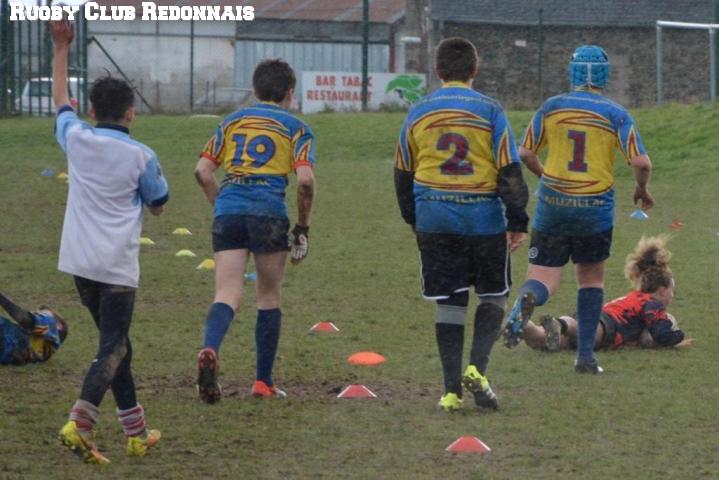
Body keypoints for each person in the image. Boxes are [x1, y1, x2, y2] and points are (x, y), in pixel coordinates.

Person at [50, 18, 168, 464]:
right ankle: (80, 423)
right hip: (116, 266)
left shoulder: (77, 137)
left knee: (117, 348)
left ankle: (135, 433)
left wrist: (61, 48)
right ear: (131, 114)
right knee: (114, 347)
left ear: (91, 111)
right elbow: (158, 203)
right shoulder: (142, 156)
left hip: (80, 264)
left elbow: (60, 102)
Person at [394, 37, 529, 412]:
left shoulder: (418, 112)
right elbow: (509, 169)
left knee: (450, 301)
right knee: (494, 294)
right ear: (475, 70)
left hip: (435, 217)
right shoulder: (491, 110)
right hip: (482, 218)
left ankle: (451, 392)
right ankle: (477, 369)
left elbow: (402, 173)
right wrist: (518, 219)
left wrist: (413, 218)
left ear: (438, 71)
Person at [503, 45, 655, 375]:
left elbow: (524, 153)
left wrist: (546, 176)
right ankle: (585, 358)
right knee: (590, 280)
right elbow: (641, 162)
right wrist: (641, 189)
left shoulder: (551, 107)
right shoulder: (616, 114)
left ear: (572, 73)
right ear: (604, 75)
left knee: (542, 278)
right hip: (593, 208)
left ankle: (525, 303)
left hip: (553, 205)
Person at [194, 59, 315, 404]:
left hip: (229, 212)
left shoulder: (231, 121)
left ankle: (210, 348)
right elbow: (305, 181)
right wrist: (302, 228)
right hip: (268, 214)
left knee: (227, 293)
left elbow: (202, 171)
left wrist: (220, 204)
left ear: (254, 89)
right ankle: (262, 383)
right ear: (290, 93)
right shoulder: (297, 128)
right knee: (268, 297)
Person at [521, 236, 692, 351]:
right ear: (662, 290)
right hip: (605, 325)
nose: (672, 296)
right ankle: (560, 324)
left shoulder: (634, 297)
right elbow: (661, 332)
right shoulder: (651, 304)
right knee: (585, 333)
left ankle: (525, 326)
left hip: (594, 316)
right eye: (672, 290)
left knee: (542, 341)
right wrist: (677, 338)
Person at [0, 291, 68, 365]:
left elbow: (24, 319)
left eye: (39, 313)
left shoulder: (50, 322)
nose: (36, 314)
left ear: (59, 325)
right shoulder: (43, 353)